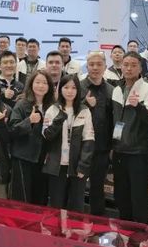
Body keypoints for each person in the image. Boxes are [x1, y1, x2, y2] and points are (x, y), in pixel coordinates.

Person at [111, 52, 148, 222]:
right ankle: (125, 228)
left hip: (138, 151)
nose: (129, 68)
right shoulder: (117, 89)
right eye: (126, 65)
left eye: (133, 65)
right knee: (121, 193)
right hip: (118, 149)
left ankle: (141, 230)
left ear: (140, 68)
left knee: (139, 194)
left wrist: (138, 106)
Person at [43, 74, 95, 212]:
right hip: (56, 167)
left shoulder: (84, 110)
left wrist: (83, 165)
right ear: (60, 89)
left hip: (77, 166)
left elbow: (89, 140)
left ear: (78, 90)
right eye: (66, 87)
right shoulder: (52, 109)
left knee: (76, 206)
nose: (70, 91)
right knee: (56, 206)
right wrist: (60, 117)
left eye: (73, 88)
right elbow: (47, 136)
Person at [9, 70, 55, 205]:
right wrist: (29, 121)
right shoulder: (22, 104)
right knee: (22, 198)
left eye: (44, 83)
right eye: (38, 82)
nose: (41, 86)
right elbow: (12, 130)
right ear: (31, 84)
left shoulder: (52, 106)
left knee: (40, 198)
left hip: (43, 159)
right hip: (23, 157)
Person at [79, 51, 115, 216]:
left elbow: (114, 119)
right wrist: (85, 104)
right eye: (91, 64)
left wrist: (113, 145)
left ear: (105, 67)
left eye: (99, 64)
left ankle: (97, 221)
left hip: (102, 146)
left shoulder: (112, 90)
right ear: (87, 67)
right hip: (80, 146)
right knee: (77, 185)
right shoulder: (78, 86)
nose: (95, 68)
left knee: (98, 186)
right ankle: (74, 219)